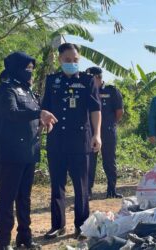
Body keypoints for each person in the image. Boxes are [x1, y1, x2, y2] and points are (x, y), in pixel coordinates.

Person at [0, 52, 57, 250]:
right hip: (11, 153)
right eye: (26, 68)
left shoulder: (28, 90)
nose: (29, 72)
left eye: (31, 68)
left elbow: (30, 116)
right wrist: (39, 113)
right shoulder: (6, 90)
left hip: (29, 151)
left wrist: (41, 121)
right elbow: (11, 113)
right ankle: (2, 242)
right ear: (15, 68)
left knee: (25, 198)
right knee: (7, 198)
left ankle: (25, 238)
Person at [42, 43, 102, 240]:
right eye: (67, 60)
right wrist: (43, 123)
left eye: (75, 60)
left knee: (81, 187)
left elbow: (95, 109)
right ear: (60, 60)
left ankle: (81, 226)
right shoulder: (52, 81)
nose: (72, 63)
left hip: (80, 141)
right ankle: (57, 225)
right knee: (57, 185)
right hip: (57, 140)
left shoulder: (87, 80)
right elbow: (45, 109)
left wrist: (97, 134)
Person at [86, 67, 124, 199]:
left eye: (90, 78)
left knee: (109, 161)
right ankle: (88, 191)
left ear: (98, 78)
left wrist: (110, 124)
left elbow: (119, 112)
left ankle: (111, 190)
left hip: (107, 132)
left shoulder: (111, 91)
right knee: (89, 162)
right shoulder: (87, 91)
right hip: (90, 133)